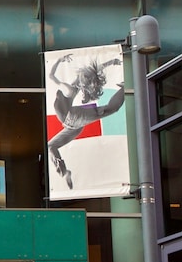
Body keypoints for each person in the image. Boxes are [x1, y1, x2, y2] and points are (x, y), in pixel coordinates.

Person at [47, 53, 125, 189]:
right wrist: (111, 61)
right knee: (51, 146)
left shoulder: (68, 89)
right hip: (71, 126)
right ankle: (65, 172)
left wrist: (59, 60)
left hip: (74, 118)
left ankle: (125, 88)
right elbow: (95, 70)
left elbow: (51, 76)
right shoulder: (73, 85)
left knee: (109, 109)